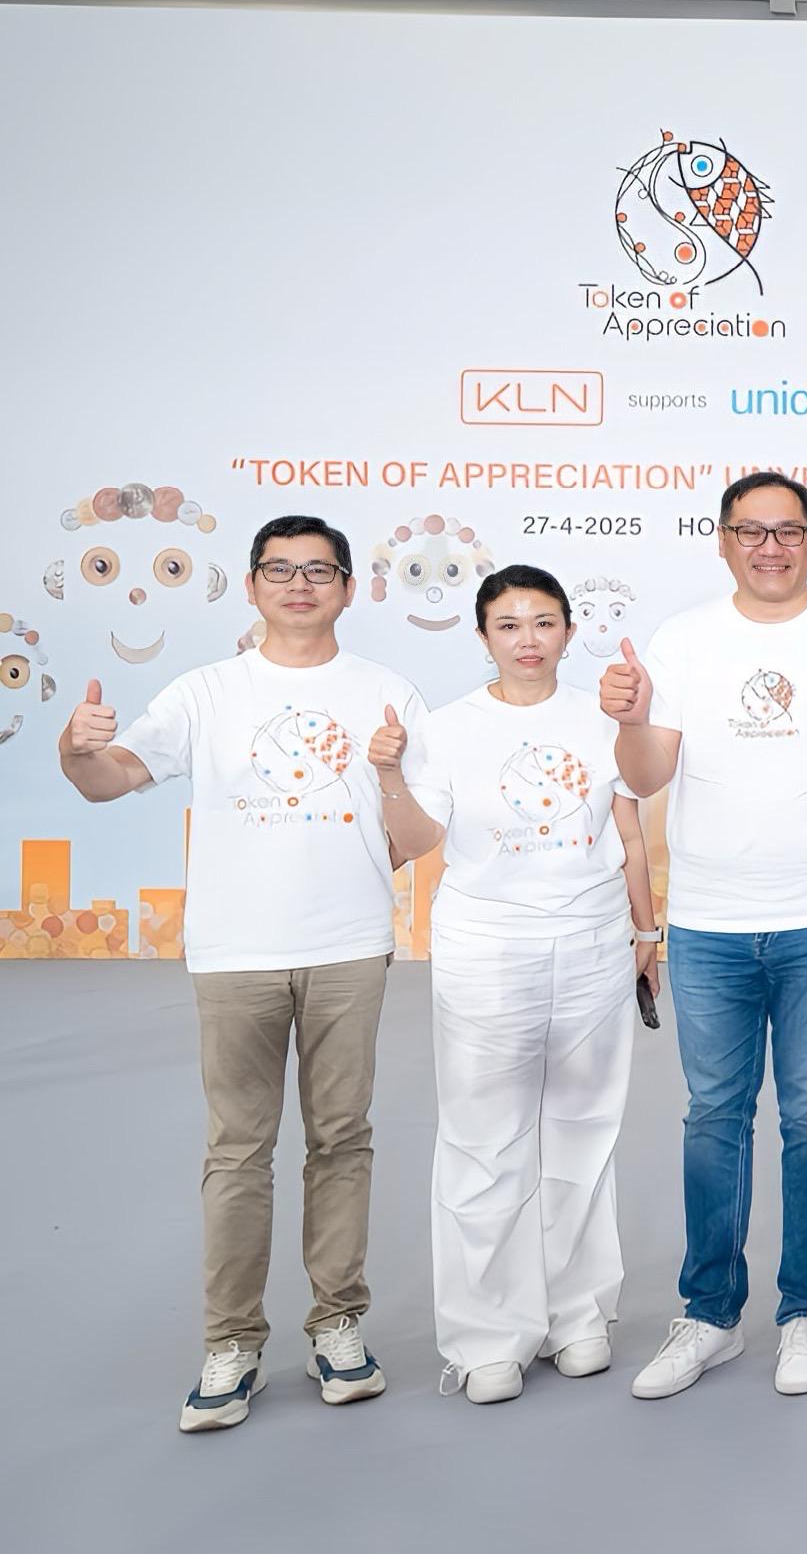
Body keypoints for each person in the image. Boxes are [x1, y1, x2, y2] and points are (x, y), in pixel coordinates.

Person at [58, 514, 424, 1432]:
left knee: (341, 1140)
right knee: (237, 1151)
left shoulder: (387, 692)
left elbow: (418, 831)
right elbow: (108, 779)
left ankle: (338, 1325)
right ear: (253, 584)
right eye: (280, 569)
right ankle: (232, 1342)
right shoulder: (206, 691)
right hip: (235, 953)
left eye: (319, 570)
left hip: (347, 947)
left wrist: (380, 800)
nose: (299, 585)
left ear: (350, 588)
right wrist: (75, 750)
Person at [602, 471, 807, 1400]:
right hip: (709, 920)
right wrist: (632, 719)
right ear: (723, 540)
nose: (770, 547)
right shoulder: (684, 638)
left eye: (787, 531)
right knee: (714, 1116)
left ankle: (806, 1310)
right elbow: (646, 776)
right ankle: (709, 1314)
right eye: (751, 531)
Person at [386, 566, 659, 1405]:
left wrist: (647, 932)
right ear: (482, 637)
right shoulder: (445, 727)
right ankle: (486, 1336)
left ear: (569, 630)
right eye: (508, 624)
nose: (527, 638)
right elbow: (418, 838)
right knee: (484, 1139)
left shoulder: (600, 719)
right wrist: (390, 776)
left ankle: (579, 1314)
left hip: (592, 946)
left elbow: (629, 834)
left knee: (584, 1131)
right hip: (486, 949)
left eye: (543, 621)